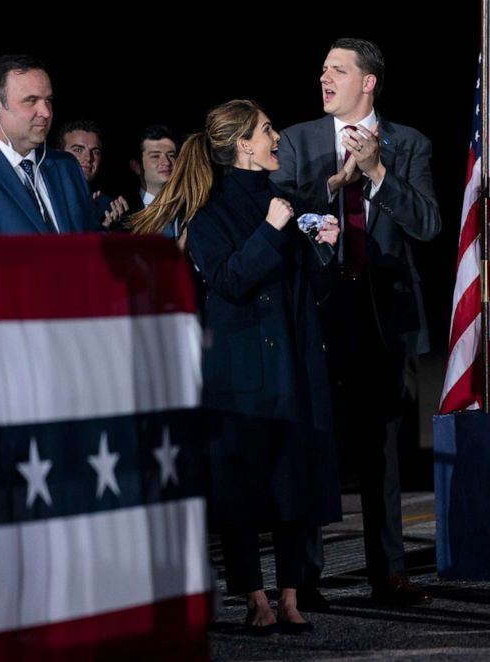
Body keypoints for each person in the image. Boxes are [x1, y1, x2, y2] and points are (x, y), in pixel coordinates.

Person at [131, 99, 342, 634]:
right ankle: (256, 599)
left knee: (295, 482)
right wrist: (272, 230)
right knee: (243, 486)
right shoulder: (208, 212)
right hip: (241, 370)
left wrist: (323, 251)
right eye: (268, 130)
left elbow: (306, 291)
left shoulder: (286, 200)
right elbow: (230, 280)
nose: (277, 139)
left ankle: (291, 597)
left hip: (293, 360)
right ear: (242, 144)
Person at [270, 37, 440, 606]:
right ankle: (308, 575)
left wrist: (378, 174)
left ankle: (387, 570)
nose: (324, 79)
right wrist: (330, 194)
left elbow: (428, 224)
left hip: (381, 314)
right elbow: (282, 211)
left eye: (337, 71)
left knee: (382, 448)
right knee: (316, 442)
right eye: (322, 70)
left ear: (368, 81)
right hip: (316, 310)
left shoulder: (408, 143)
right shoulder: (295, 141)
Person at [0, 54, 96, 235]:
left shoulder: (67, 166)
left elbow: (92, 242)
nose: (46, 112)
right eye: (31, 100)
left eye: (48, 100)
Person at [55, 119, 129, 227]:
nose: (89, 158)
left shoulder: (109, 207)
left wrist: (106, 227)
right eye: (78, 150)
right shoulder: (43, 196)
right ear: (59, 154)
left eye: (95, 152)